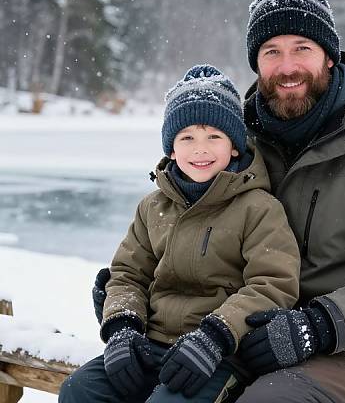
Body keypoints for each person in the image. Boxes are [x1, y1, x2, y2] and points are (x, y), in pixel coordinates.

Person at [92, 0, 345, 403]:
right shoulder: (234, 140)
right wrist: (136, 303)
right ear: (256, 63)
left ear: (329, 57)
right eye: (272, 52)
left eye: (303, 49)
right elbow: (182, 232)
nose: (288, 66)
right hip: (240, 330)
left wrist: (319, 324)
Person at [59, 64, 301, 403]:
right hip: (151, 343)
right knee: (81, 390)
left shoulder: (259, 208)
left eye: (214, 137)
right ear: (171, 149)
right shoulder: (152, 207)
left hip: (220, 354)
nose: (200, 150)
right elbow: (128, 274)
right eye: (187, 138)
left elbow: (272, 286)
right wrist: (122, 328)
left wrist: (216, 335)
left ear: (234, 146)